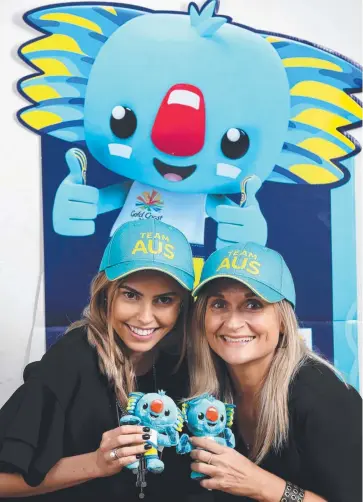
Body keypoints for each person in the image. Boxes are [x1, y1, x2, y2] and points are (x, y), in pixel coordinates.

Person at [0, 219, 196, 501]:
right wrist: (95, 463)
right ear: (106, 296)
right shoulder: (70, 360)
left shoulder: (181, 365)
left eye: (164, 300)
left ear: (182, 307)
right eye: (131, 295)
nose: (144, 317)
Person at [186, 242, 362, 502]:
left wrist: (262, 485)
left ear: (282, 320)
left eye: (253, 304)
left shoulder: (325, 399)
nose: (233, 323)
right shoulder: (204, 394)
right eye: (219, 304)